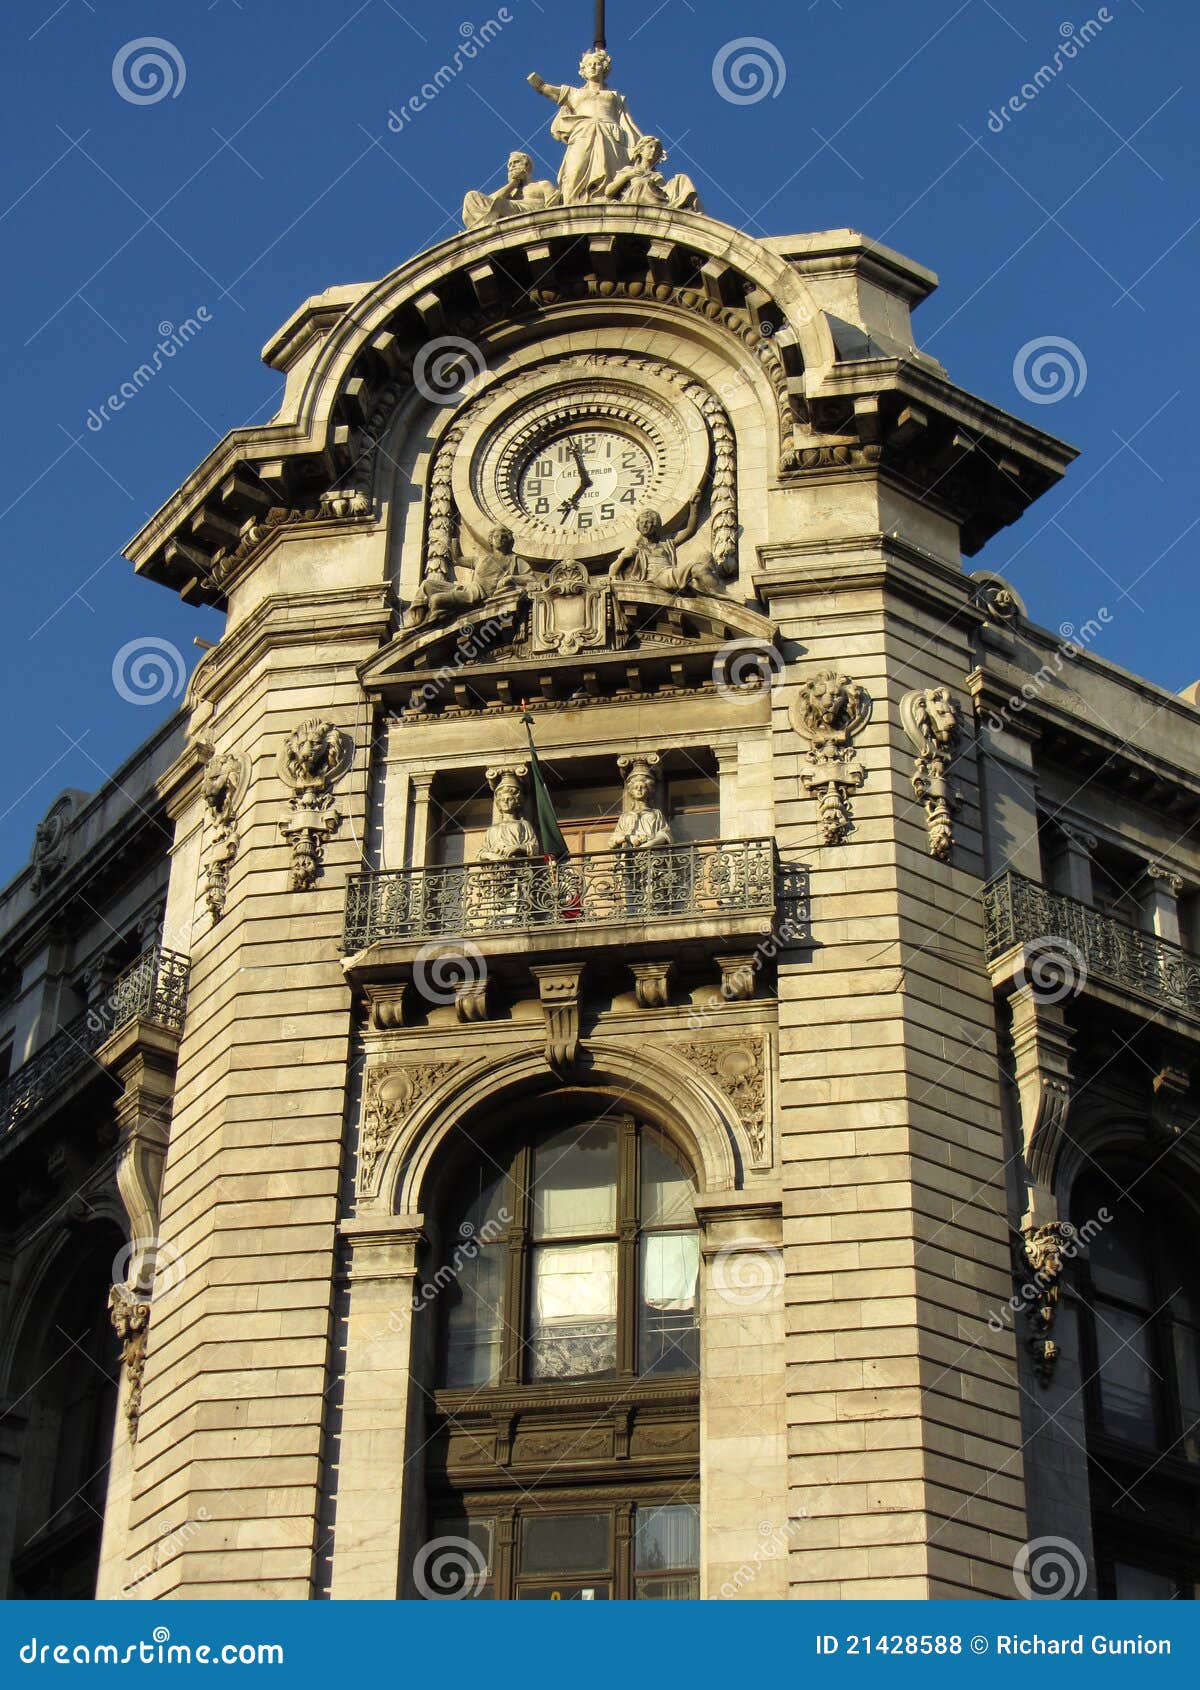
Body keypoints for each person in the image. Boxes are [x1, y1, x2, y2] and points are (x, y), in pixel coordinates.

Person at [527, 49, 643, 204]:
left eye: (597, 64)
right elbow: (546, 89)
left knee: (611, 171)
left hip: (611, 135)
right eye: (589, 64)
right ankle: (572, 201)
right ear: (583, 70)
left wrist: (640, 144)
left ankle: (607, 197)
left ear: (604, 69)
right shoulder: (573, 93)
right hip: (583, 133)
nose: (593, 67)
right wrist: (537, 83)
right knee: (575, 169)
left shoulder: (615, 96)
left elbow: (626, 122)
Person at [407, 527, 532, 625]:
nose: (499, 539)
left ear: (508, 541)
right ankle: (415, 620)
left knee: (436, 600)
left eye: (503, 537)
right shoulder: (481, 559)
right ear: (491, 540)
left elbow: (531, 578)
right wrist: (453, 539)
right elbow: (458, 559)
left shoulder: (514, 560)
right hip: (468, 589)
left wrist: (511, 578)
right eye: (496, 536)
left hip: (477, 596)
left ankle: (427, 625)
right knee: (426, 584)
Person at [461, 151, 559, 229]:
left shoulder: (543, 184)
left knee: (500, 203)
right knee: (471, 196)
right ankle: (482, 225)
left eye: (516, 162)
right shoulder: (511, 191)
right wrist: (513, 184)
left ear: (526, 165)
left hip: (532, 213)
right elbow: (491, 201)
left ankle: (484, 226)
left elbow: (553, 207)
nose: (512, 166)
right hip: (508, 209)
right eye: (510, 164)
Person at [605, 135, 702, 213]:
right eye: (650, 147)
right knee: (643, 183)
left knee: (682, 178)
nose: (653, 150)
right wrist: (628, 176)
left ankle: (689, 209)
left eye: (657, 149)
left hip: (660, 200)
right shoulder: (629, 170)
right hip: (636, 203)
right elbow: (608, 192)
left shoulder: (657, 176)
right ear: (641, 151)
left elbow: (663, 191)